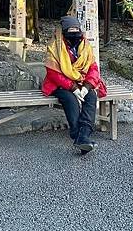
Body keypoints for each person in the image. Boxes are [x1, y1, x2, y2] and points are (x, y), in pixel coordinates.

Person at [42, 15, 107, 154]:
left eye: (76, 29)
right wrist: (73, 88)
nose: (74, 33)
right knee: (70, 99)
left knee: (91, 96)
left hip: (82, 81)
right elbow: (53, 73)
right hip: (59, 84)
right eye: (70, 30)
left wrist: (87, 86)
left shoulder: (85, 46)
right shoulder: (55, 47)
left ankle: (83, 135)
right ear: (64, 32)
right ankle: (80, 136)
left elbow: (93, 68)